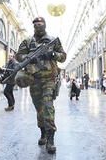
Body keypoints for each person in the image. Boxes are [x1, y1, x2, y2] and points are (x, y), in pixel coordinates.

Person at [15, 16, 66, 154]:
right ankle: (43, 132)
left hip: (49, 79)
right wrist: (30, 57)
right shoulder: (27, 41)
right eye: (36, 24)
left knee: (48, 106)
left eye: (40, 23)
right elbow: (18, 56)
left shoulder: (53, 40)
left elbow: (63, 56)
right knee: (39, 108)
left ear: (45, 25)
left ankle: (50, 139)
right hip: (34, 79)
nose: (38, 25)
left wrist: (52, 54)